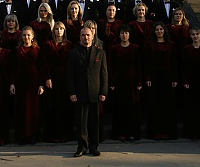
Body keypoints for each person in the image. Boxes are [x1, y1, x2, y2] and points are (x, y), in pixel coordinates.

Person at [67, 27, 108, 157]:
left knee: (94, 122)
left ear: (92, 36)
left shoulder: (100, 53)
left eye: (88, 35)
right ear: (80, 37)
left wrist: (103, 92)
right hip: (80, 92)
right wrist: (72, 92)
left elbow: (104, 74)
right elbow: (70, 75)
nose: (86, 37)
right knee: (81, 122)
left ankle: (93, 146)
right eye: (83, 35)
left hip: (95, 92)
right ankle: (82, 146)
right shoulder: (74, 53)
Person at [144, 22, 178, 140]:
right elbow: (146, 62)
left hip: (167, 77)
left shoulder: (171, 44)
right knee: (155, 105)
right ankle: (156, 132)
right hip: (154, 77)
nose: (159, 31)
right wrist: (147, 77)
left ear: (164, 31)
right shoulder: (149, 44)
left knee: (167, 105)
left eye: (161, 29)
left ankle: (168, 132)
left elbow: (174, 62)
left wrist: (174, 78)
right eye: (157, 30)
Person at [10, 26, 43, 144]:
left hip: (33, 82)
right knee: (21, 109)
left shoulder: (38, 50)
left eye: (28, 35)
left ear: (33, 36)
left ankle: (33, 136)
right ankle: (21, 137)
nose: (26, 37)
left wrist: (41, 84)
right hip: (20, 82)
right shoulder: (17, 50)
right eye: (24, 35)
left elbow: (41, 68)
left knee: (33, 110)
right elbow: (13, 68)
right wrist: (12, 84)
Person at [41, 21, 73, 142]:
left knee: (64, 107)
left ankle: (65, 135)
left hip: (65, 78)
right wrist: (47, 78)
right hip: (52, 79)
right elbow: (45, 63)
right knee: (52, 107)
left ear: (64, 31)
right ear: (53, 31)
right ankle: (51, 135)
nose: (59, 31)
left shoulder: (69, 45)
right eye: (56, 29)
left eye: (61, 29)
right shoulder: (48, 45)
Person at [110, 24, 142, 141]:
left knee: (132, 108)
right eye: (122, 33)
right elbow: (112, 66)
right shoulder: (114, 48)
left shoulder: (135, 48)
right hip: (119, 81)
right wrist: (112, 82)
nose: (124, 35)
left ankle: (132, 133)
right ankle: (120, 133)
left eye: (126, 33)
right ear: (119, 35)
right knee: (120, 108)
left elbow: (138, 66)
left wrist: (139, 81)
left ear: (129, 35)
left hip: (132, 81)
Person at [182, 27, 200, 140]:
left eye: (197, 34)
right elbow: (184, 66)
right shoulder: (187, 49)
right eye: (193, 34)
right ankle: (192, 132)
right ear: (190, 36)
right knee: (191, 108)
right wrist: (185, 80)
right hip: (191, 81)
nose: (195, 36)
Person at [167, 8, 191, 113]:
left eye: (180, 14)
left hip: (184, 56)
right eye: (176, 14)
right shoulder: (168, 27)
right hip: (172, 55)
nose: (178, 16)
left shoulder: (187, 28)